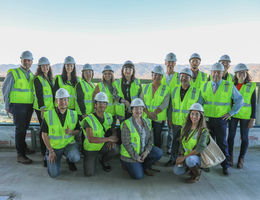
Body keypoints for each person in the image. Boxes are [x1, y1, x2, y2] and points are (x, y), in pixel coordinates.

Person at [201, 62, 243, 175]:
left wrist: (231, 113)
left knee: (222, 143)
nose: (216, 74)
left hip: (221, 120)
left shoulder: (228, 85)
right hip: (207, 119)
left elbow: (240, 100)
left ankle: (225, 166)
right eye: (214, 72)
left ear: (222, 73)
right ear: (210, 73)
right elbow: (200, 102)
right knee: (207, 143)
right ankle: (207, 163)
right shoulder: (204, 85)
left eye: (218, 72)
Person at [2, 50, 35, 164]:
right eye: (25, 60)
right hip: (18, 106)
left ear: (32, 61)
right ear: (21, 60)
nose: (27, 62)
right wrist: (7, 105)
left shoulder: (31, 74)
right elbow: (6, 89)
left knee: (24, 128)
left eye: (29, 60)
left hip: (28, 106)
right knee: (20, 130)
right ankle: (20, 155)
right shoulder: (14, 72)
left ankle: (24, 147)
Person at [165, 67, 201, 167]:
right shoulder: (175, 90)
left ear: (190, 78)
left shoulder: (196, 91)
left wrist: (195, 123)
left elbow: (199, 109)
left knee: (186, 143)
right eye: (182, 76)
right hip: (176, 121)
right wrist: (169, 119)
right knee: (175, 142)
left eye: (186, 77)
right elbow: (170, 107)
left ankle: (185, 161)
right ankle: (173, 159)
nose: (183, 78)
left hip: (189, 123)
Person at [42, 88, 81, 178]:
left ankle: (68, 158)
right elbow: (44, 135)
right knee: (53, 174)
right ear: (56, 101)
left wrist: (71, 132)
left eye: (65, 99)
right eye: (60, 100)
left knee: (75, 157)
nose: (63, 102)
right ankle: (49, 155)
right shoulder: (48, 115)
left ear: (68, 101)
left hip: (68, 145)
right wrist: (51, 151)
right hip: (54, 148)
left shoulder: (74, 114)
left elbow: (78, 131)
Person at [121, 98, 163, 180]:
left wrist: (147, 151)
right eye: (136, 108)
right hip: (130, 155)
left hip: (143, 151)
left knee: (158, 153)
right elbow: (126, 143)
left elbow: (151, 139)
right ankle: (126, 164)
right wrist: (136, 157)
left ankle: (145, 166)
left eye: (140, 108)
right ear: (132, 110)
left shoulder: (147, 122)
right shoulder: (126, 124)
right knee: (138, 176)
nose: (138, 111)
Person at [80, 92, 119, 177]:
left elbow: (113, 129)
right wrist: (109, 139)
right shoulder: (88, 119)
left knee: (115, 149)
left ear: (106, 105)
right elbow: (91, 139)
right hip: (91, 148)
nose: (102, 105)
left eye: (104, 103)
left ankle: (104, 160)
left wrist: (113, 138)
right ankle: (90, 158)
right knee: (89, 174)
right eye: (99, 103)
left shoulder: (109, 116)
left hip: (102, 145)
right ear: (95, 105)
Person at [228, 63, 256, 169]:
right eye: (239, 72)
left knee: (244, 138)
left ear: (246, 73)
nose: (241, 74)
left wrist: (252, 118)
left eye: (244, 72)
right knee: (230, 136)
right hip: (233, 115)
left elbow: (254, 103)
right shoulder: (231, 85)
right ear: (236, 74)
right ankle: (230, 157)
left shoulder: (251, 86)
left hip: (245, 116)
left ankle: (241, 158)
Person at [174, 103, 209, 184]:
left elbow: (199, 149)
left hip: (197, 158)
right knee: (177, 171)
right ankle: (190, 168)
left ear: (201, 116)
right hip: (187, 156)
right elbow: (181, 144)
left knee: (190, 160)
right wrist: (181, 156)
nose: (194, 116)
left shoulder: (203, 131)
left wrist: (184, 158)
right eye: (192, 114)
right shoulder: (185, 128)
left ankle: (197, 174)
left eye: (197, 114)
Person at [141, 65, 170, 148]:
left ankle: (157, 153)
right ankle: (145, 152)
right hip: (146, 116)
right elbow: (141, 101)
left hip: (158, 118)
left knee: (157, 137)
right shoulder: (145, 87)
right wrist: (148, 113)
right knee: (145, 136)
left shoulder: (166, 89)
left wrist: (153, 114)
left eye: (159, 75)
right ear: (152, 75)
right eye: (155, 74)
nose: (157, 77)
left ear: (162, 76)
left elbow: (164, 104)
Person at [33, 57, 54, 167]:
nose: (45, 67)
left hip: (51, 109)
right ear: (40, 67)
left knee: (49, 132)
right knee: (44, 132)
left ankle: (50, 152)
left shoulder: (50, 78)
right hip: (43, 110)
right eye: (43, 66)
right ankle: (44, 156)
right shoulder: (38, 79)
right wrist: (42, 109)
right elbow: (40, 95)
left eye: (47, 65)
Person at [160, 52, 180, 155]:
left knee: (171, 126)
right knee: (159, 125)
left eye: (172, 62)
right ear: (165, 62)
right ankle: (158, 147)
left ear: (175, 63)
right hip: (162, 104)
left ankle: (169, 147)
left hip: (173, 104)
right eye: (168, 61)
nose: (170, 64)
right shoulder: (161, 76)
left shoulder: (179, 76)